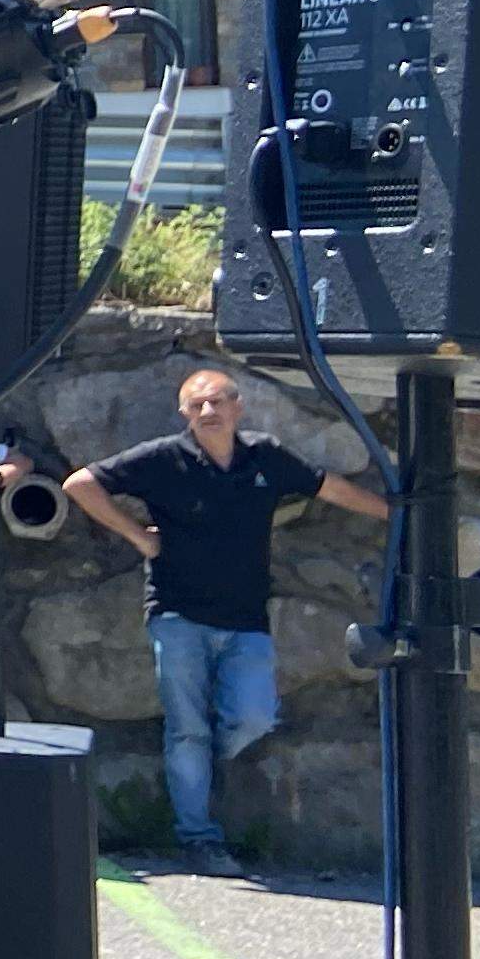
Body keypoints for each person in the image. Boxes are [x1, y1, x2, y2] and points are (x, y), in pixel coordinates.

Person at [67, 367, 389, 875]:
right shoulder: (161, 460)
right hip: (176, 615)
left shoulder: (266, 456)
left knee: (253, 716)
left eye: (217, 402)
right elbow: (80, 484)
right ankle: (198, 838)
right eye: (197, 405)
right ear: (184, 414)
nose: (208, 413)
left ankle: (206, 762)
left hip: (246, 619)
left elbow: (330, 489)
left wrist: (399, 515)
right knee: (185, 731)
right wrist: (138, 537)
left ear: (238, 407)